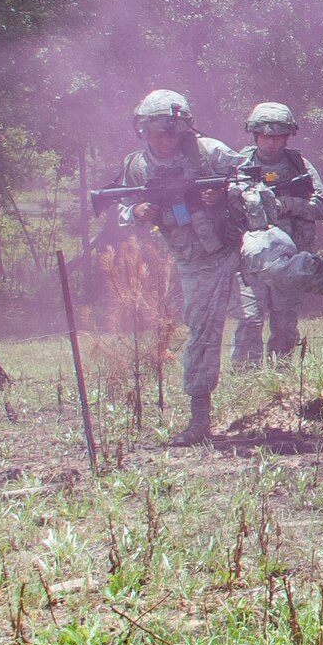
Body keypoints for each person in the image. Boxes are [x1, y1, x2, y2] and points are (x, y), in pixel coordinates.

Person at [115, 90, 242, 446]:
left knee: (284, 266)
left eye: (175, 131)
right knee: (201, 333)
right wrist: (137, 212)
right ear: (143, 130)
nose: (168, 138)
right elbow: (122, 205)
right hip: (195, 259)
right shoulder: (137, 166)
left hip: (241, 240)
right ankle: (199, 419)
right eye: (160, 131)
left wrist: (225, 193)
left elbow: (253, 181)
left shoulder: (210, 152)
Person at [229, 102, 323, 367]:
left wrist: (287, 205)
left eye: (278, 136)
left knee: (284, 320)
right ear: (255, 134)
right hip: (251, 258)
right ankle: (245, 375)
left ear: (287, 136)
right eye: (266, 136)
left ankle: (281, 372)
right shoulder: (239, 163)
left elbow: (322, 206)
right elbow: (225, 205)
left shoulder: (299, 165)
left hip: (289, 258)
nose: (271, 142)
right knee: (249, 318)